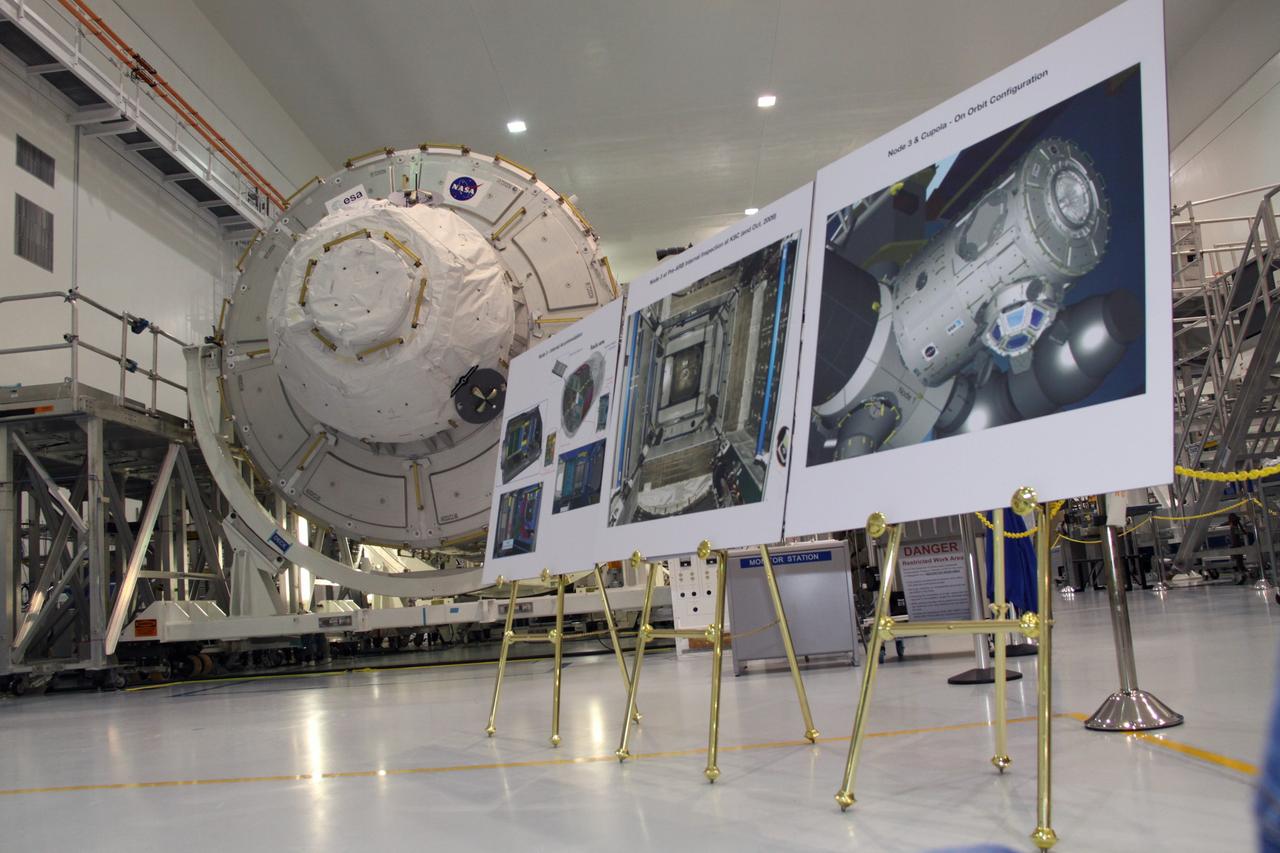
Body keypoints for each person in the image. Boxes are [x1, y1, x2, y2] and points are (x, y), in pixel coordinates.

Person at [1228, 513, 1252, 585]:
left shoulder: (1233, 528)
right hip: (1237, 546)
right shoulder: (1236, 527)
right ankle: (1244, 574)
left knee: (1239, 563)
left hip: (1236, 546)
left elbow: (1234, 538)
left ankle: (1244, 575)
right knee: (1239, 563)